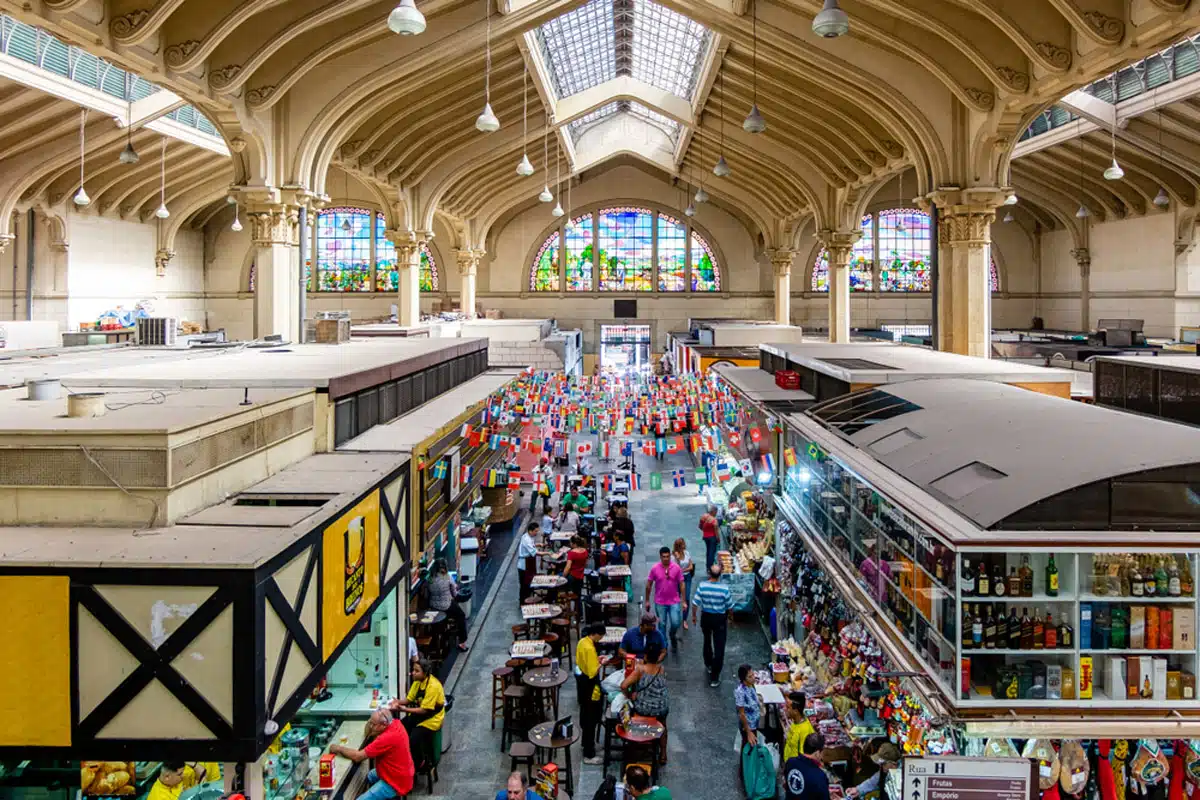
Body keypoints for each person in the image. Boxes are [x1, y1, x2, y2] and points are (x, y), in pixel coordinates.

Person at [328, 708, 415, 800]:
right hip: (398, 771)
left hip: (395, 782)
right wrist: (373, 726)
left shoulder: (386, 738)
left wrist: (338, 748)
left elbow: (358, 757)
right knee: (369, 776)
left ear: (384, 724)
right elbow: (368, 731)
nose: (371, 726)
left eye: (373, 724)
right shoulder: (396, 723)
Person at [391, 657, 445, 770]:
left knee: (413, 739)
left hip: (432, 719)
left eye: (416, 671)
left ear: (425, 673)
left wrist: (403, 710)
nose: (412, 673)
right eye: (413, 670)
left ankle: (420, 763)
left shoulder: (433, 686)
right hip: (419, 715)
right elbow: (409, 700)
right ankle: (404, 757)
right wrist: (397, 702)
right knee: (398, 728)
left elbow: (424, 710)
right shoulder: (417, 682)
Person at [621, 641, 669, 763]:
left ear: (645, 655)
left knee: (629, 710)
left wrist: (630, 696)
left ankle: (637, 743)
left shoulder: (640, 670)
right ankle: (663, 754)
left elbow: (623, 685)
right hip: (661, 708)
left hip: (644, 709)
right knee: (663, 725)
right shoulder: (662, 669)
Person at [691, 563, 733, 686]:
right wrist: (731, 618)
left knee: (707, 641)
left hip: (706, 617)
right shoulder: (724, 588)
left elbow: (695, 603)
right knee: (719, 646)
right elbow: (730, 606)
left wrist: (694, 616)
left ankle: (709, 663)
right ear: (720, 575)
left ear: (709, 573)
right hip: (719, 619)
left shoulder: (702, 586)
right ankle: (714, 677)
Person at [575, 622, 606, 765]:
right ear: (596, 634)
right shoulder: (589, 648)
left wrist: (596, 660)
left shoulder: (582, 642)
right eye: (601, 636)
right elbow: (593, 671)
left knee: (585, 716)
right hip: (590, 687)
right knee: (591, 719)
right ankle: (589, 754)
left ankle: (587, 744)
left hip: (582, 685)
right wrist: (602, 663)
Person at [644, 546, 686, 648]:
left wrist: (684, 601)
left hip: (674, 601)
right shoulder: (655, 569)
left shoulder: (676, 568)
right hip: (660, 602)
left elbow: (682, 584)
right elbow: (649, 584)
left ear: (670, 556)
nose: (666, 559)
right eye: (664, 557)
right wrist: (647, 600)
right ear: (660, 557)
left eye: (667, 556)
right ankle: (664, 645)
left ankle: (672, 634)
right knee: (662, 624)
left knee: (676, 622)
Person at [426, 558, 469, 652]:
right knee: (461, 615)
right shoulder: (447, 577)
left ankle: (435, 643)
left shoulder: (430, 578)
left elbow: (427, 593)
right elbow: (455, 594)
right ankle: (462, 642)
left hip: (433, 606)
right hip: (447, 605)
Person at [783, 732, 831, 800]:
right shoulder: (819, 776)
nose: (822, 756)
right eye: (822, 752)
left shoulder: (790, 762)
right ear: (817, 753)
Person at [734, 664, 763, 748]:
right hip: (748, 726)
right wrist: (749, 732)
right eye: (750, 676)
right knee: (747, 748)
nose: (753, 677)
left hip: (754, 723)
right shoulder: (740, 692)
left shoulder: (751, 685)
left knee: (751, 747)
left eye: (753, 674)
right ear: (744, 679)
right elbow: (741, 714)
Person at [782, 691, 815, 762]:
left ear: (796, 711)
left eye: (788, 707)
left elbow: (803, 758)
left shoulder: (804, 731)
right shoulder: (795, 721)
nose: (784, 709)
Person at [671, 538, 695, 631]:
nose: (684, 545)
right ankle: (676, 616)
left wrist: (683, 570)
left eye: (684, 544)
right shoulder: (673, 557)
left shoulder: (687, 553)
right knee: (677, 597)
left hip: (687, 577)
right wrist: (677, 559)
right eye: (682, 544)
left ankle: (684, 619)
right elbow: (675, 568)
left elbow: (691, 566)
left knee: (687, 598)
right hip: (677, 579)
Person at [517, 521, 540, 603]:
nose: (536, 533)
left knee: (529, 584)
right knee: (524, 585)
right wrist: (547, 553)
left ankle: (529, 600)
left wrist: (538, 545)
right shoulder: (526, 539)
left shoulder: (529, 537)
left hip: (529, 563)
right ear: (530, 531)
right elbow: (534, 552)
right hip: (524, 565)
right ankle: (523, 602)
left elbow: (532, 545)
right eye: (535, 531)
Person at [699, 505, 721, 571]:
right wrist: (718, 540)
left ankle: (708, 567)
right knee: (712, 552)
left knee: (708, 551)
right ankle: (710, 568)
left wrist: (705, 531)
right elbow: (716, 533)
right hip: (713, 538)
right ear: (714, 511)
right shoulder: (714, 521)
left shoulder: (703, 516)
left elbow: (700, 526)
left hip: (705, 537)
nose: (716, 514)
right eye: (716, 512)